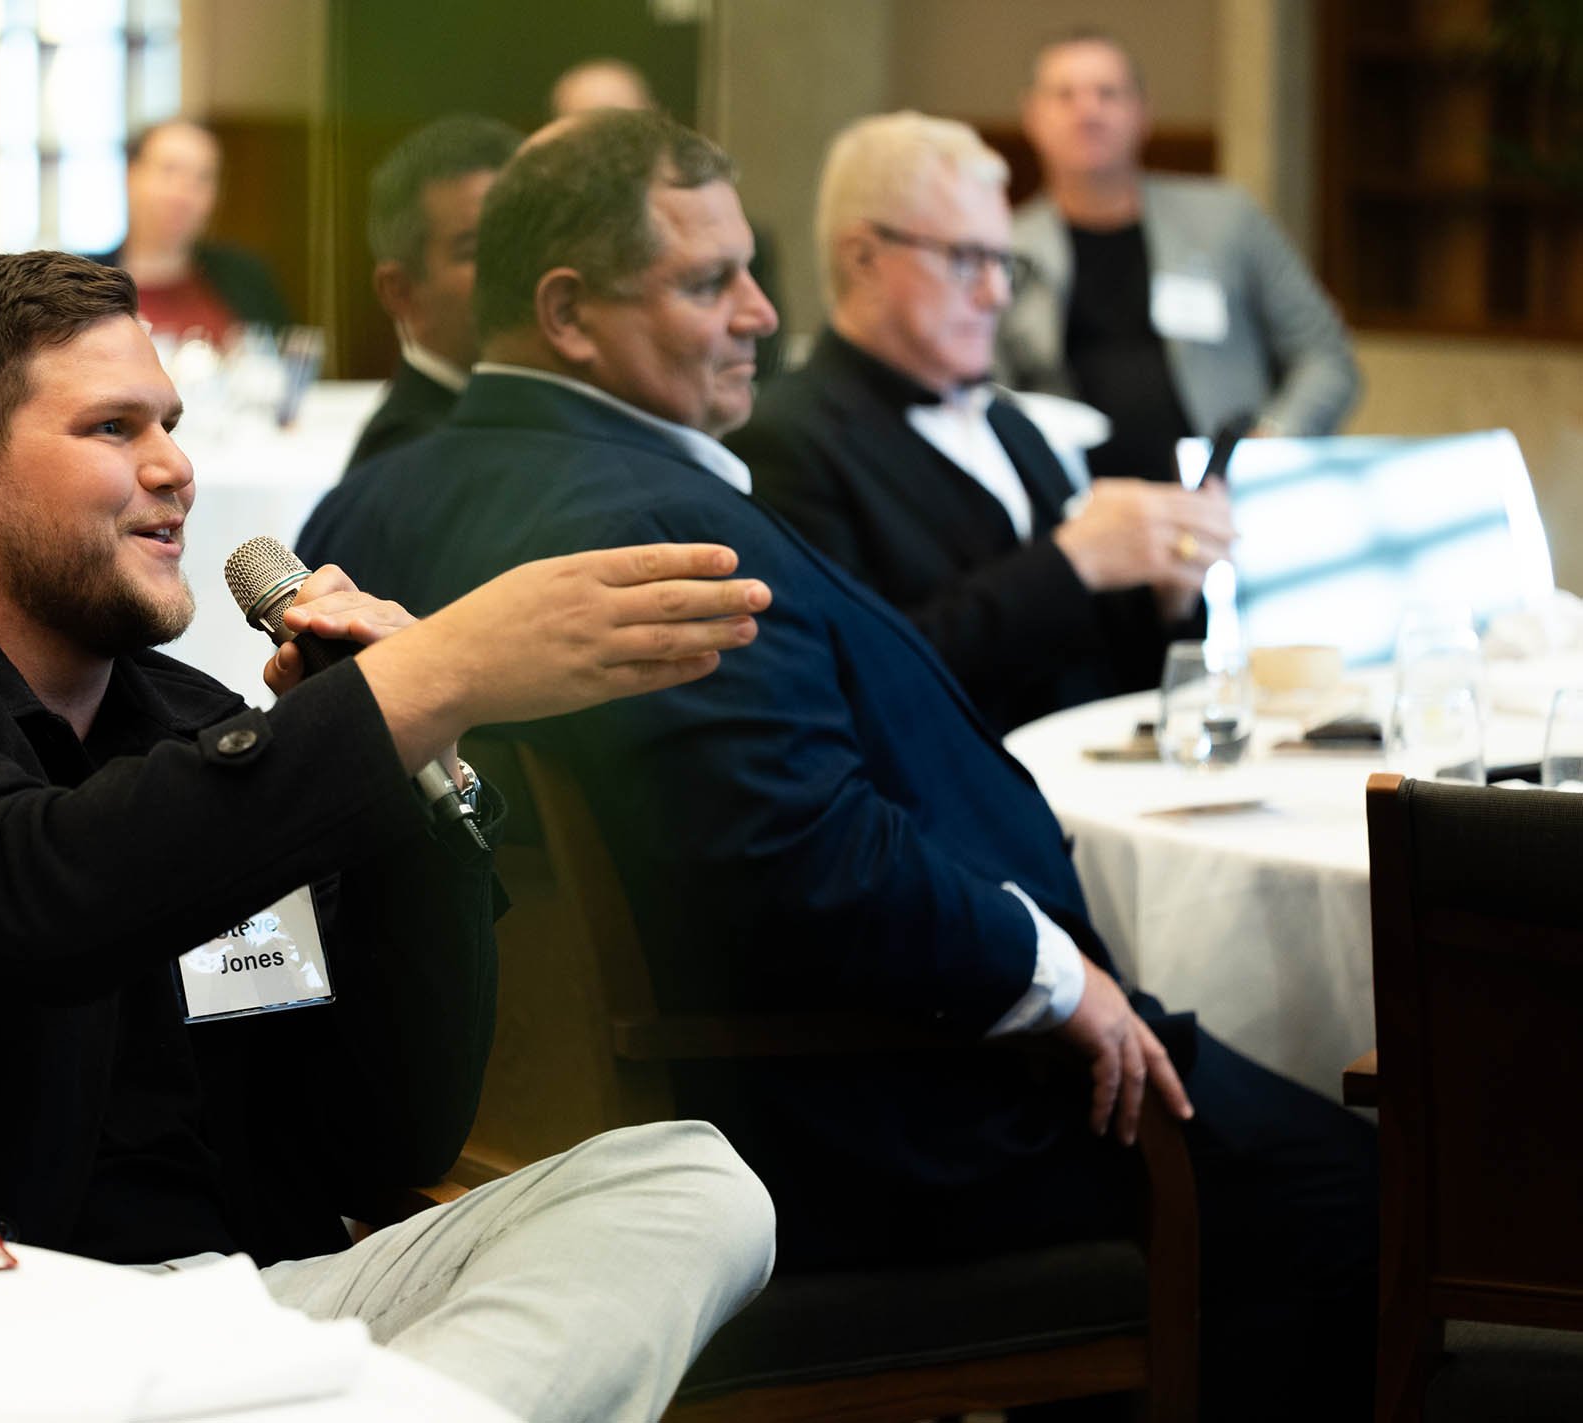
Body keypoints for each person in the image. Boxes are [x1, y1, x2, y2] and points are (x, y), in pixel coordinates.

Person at [299, 109, 1376, 1420]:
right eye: (708, 282)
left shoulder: (370, 502)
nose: (761, 314)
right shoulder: (647, 524)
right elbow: (790, 854)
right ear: (567, 312)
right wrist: (1050, 975)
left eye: (754, 270)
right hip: (839, 1115)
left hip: (542, 1111)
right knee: (1344, 1183)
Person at [0, 249, 778, 1423]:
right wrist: (414, 686)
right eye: (112, 427)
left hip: (233, 1320)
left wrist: (418, 778)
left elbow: (378, 1137)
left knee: (689, 1181)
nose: (177, 467)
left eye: (173, 424)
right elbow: (40, 891)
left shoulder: (189, 723)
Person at [730, 112, 1233, 733]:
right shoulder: (786, 439)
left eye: (1004, 261)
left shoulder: (1010, 424)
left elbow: (1099, 665)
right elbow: (857, 677)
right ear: (862, 258)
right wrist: (1071, 560)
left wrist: (1166, 584)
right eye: (967, 258)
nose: (996, 293)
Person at [998, 30, 1360, 483]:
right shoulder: (1002, 247)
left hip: (1221, 493)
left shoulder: (1227, 219)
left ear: (1143, 113)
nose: (1087, 112)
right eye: (1064, 95)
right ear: (1032, 116)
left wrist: (1272, 441)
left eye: (1107, 94)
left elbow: (1325, 356)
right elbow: (983, 390)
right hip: (1075, 508)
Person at [549, 57, 785, 380]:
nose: (760, 315)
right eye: (589, 130)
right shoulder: (540, 243)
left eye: (626, 127)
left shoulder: (738, 239)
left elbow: (764, 367)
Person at [346, 114, 522, 472]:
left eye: (524, 238)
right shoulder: (405, 462)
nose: (519, 266)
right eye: (476, 250)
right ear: (401, 292)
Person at [97, 119, 292, 341]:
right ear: (131, 176)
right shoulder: (81, 283)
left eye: (203, 178)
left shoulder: (248, 280)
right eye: (169, 171)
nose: (183, 195)